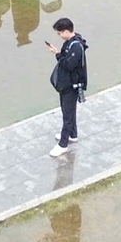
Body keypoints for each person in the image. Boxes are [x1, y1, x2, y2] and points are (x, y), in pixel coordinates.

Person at [46, 16, 88, 156]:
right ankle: (72, 135)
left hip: (72, 85)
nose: (59, 35)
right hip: (67, 83)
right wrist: (59, 53)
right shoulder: (70, 43)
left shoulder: (76, 46)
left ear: (65, 31)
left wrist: (57, 54)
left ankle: (63, 144)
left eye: (59, 33)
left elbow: (69, 65)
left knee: (67, 115)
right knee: (67, 111)